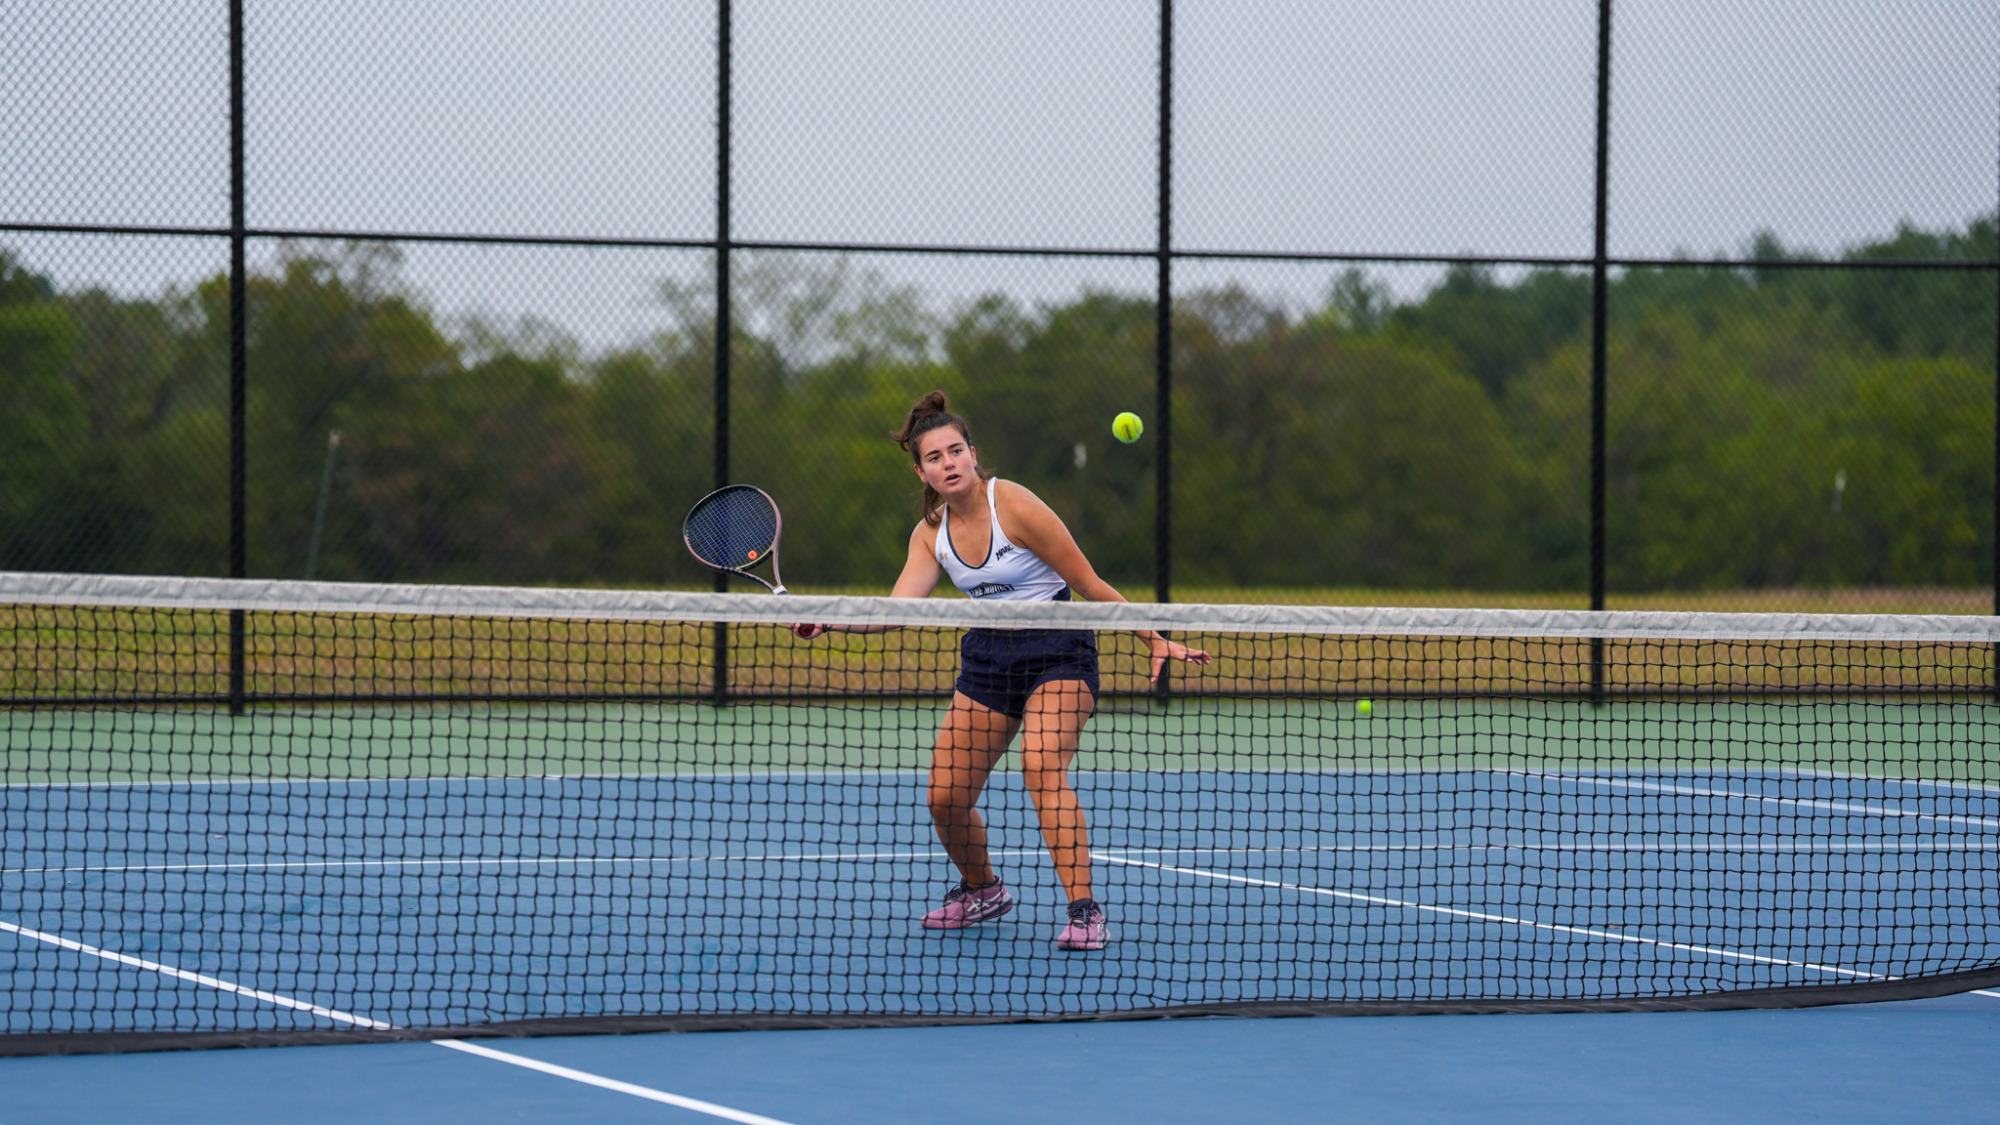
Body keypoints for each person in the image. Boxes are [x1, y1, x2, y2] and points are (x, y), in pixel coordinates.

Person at [795, 390, 1209, 951]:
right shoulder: (929, 535)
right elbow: (895, 614)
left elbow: (1087, 584)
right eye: (935, 457)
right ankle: (982, 889)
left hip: (1059, 652)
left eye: (956, 450)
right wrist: (831, 622)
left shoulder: (1012, 503)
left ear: (972, 454)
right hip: (989, 659)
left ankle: (1084, 911)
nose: (949, 463)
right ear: (921, 471)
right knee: (944, 797)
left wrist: (1154, 639)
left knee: (1040, 764)